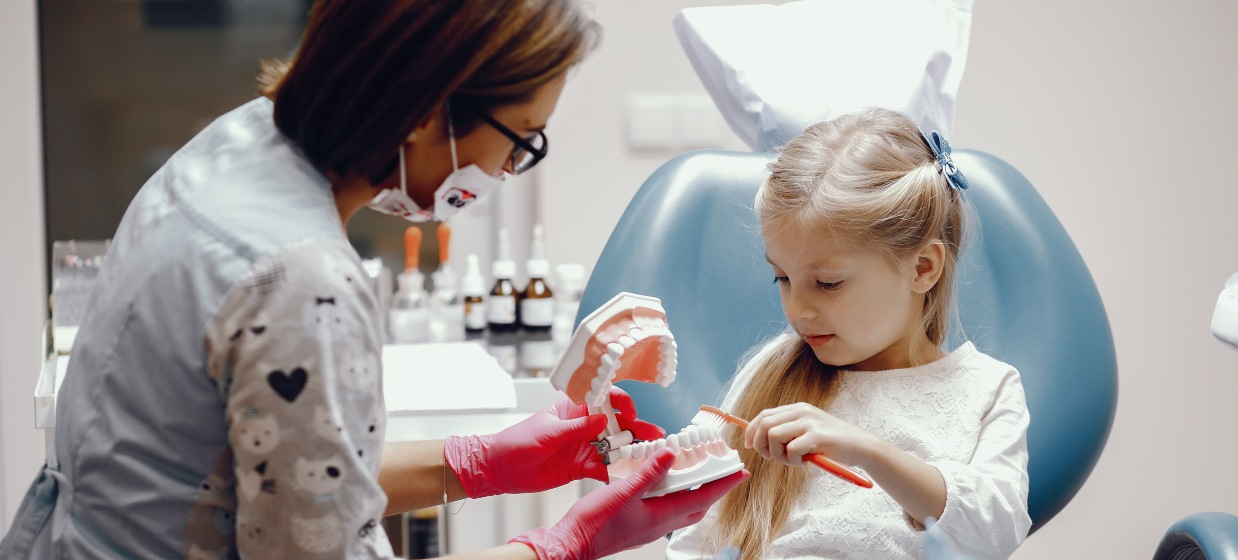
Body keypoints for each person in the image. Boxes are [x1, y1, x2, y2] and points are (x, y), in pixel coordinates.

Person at [0, 1, 746, 559]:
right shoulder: (302, 281)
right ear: (428, 112)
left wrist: (476, 463)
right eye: (519, 141)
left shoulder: (231, 146)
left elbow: (279, 485)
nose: (505, 172)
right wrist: (565, 544)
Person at [665, 108, 1032, 559]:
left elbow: (995, 535)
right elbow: (695, 531)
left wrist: (867, 450)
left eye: (828, 283)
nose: (797, 309)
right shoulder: (773, 370)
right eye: (782, 278)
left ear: (922, 268)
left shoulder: (987, 389)